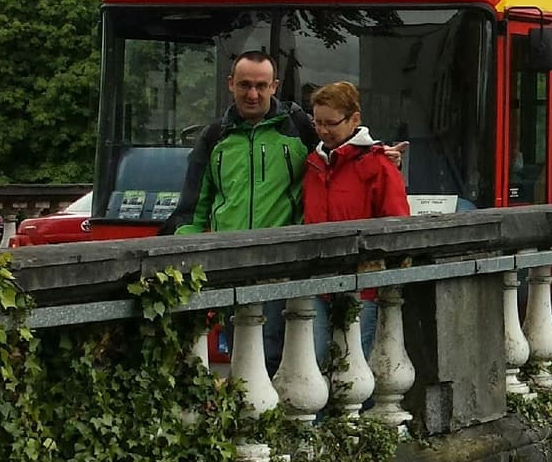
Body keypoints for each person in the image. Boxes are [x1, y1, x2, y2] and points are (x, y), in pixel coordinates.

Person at [169, 51, 320, 361]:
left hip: (283, 265)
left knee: (275, 356)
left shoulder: (298, 129)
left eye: (261, 86)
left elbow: (341, 155)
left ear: (274, 86)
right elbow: (192, 209)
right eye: (245, 85)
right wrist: (183, 263)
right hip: (230, 266)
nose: (253, 94)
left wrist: (382, 158)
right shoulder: (214, 137)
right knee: (242, 358)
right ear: (231, 84)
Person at [305, 82, 411, 359]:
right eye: (317, 123)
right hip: (318, 282)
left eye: (331, 123)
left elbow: (397, 224)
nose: (323, 131)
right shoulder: (314, 162)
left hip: (363, 285)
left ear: (354, 119)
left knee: (353, 363)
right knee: (314, 362)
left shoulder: (379, 164)